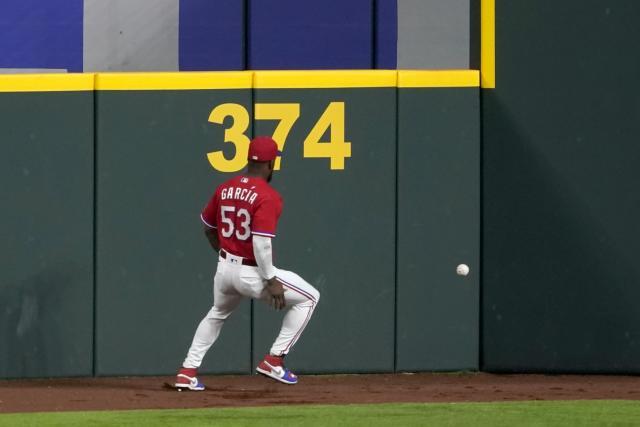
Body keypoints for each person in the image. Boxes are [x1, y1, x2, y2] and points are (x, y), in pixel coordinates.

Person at [175, 136, 320, 390]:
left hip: (224, 269)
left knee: (216, 314)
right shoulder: (268, 195)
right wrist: (271, 280)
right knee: (310, 297)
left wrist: (226, 254)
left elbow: (208, 229)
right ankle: (274, 360)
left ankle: (187, 371)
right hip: (253, 272)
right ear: (270, 164)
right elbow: (261, 243)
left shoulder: (225, 187)